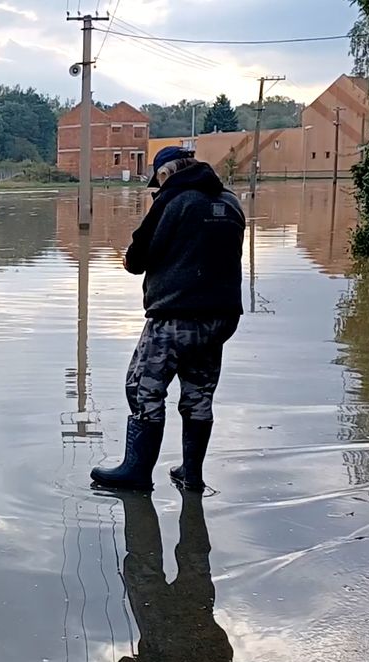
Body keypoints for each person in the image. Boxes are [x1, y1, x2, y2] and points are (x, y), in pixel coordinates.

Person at [91, 146, 245, 492]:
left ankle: (136, 473)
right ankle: (192, 475)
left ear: (164, 174)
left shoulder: (173, 199)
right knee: (198, 393)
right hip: (221, 318)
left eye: (157, 183)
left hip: (176, 315)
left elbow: (137, 258)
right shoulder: (231, 202)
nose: (156, 191)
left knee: (142, 388)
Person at [115, 491, 233, 662]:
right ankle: (188, 474)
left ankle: (186, 479)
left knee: (196, 561)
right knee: (143, 566)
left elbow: (224, 653)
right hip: (163, 639)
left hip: (204, 637)